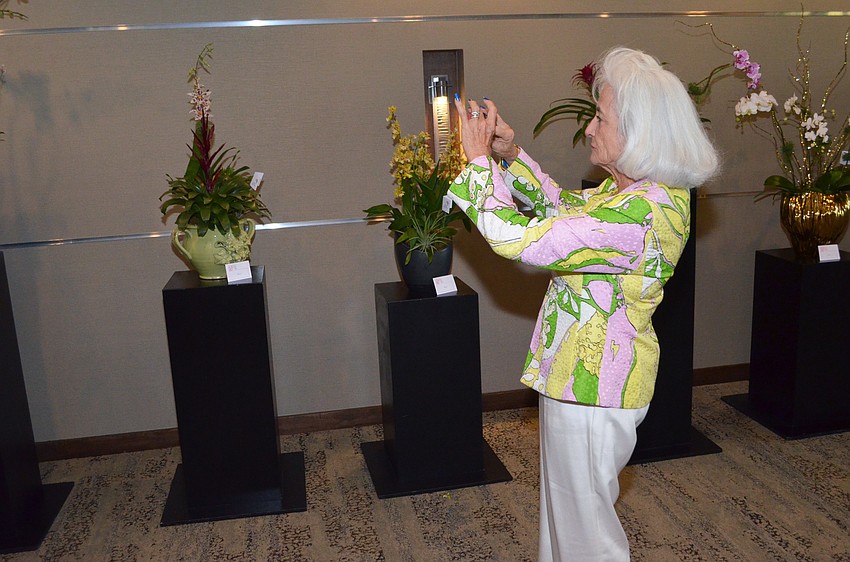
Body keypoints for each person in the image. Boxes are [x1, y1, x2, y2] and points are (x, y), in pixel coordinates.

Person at [448, 46, 719, 561]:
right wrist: (510, 156)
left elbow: (519, 240)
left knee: (585, 535)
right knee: (566, 520)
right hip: (583, 379)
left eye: (601, 117)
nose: (590, 129)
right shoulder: (642, 194)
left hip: (594, 387)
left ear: (639, 133)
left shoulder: (639, 212)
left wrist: (479, 161)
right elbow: (561, 210)